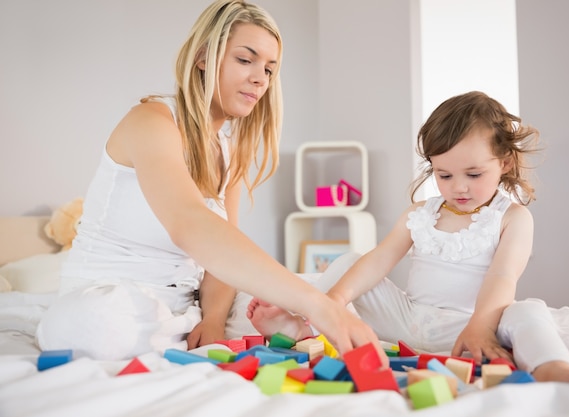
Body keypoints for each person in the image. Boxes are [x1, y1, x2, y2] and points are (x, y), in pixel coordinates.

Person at [35, 0, 385, 364]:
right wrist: (316, 308)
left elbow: (223, 252)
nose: (260, 78)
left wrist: (215, 319)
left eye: (269, 68)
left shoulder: (229, 150)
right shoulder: (150, 122)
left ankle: (266, 328)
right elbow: (191, 224)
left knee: (328, 293)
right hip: (112, 298)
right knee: (98, 325)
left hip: (185, 307)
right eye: (245, 60)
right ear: (204, 57)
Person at [248, 91, 569, 385]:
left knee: (529, 310)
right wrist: (334, 301)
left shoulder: (512, 218)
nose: (458, 187)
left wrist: (480, 324)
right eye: (444, 175)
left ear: (504, 164)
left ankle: (556, 371)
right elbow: (380, 260)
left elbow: (502, 278)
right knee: (351, 262)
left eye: (474, 175)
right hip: (407, 320)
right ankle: (307, 324)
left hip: (466, 327)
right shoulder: (420, 214)